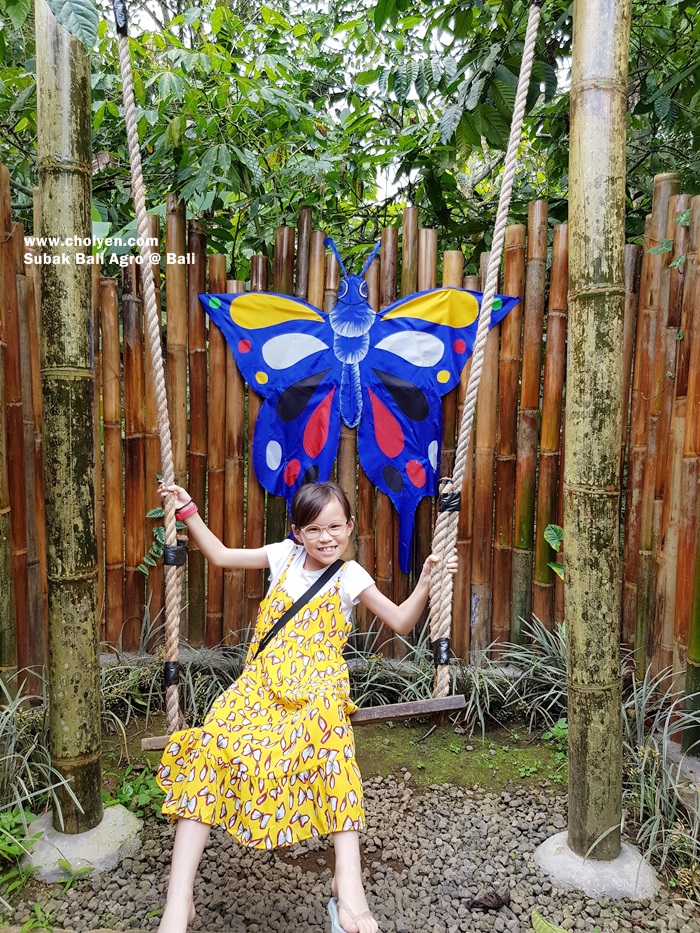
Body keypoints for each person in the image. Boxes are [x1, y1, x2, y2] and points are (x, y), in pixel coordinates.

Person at [155, 480, 458, 933]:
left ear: (350, 526)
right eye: (313, 529)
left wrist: (429, 581)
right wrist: (188, 510)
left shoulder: (350, 576)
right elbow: (219, 555)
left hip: (318, 683)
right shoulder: (284, 556)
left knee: (332, 738)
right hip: (262, 683)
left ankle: (349, 887)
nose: (325, 537)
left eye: (335, 527)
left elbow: (400, 620)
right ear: (297, 532)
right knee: (211, 742)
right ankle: (178, 904)